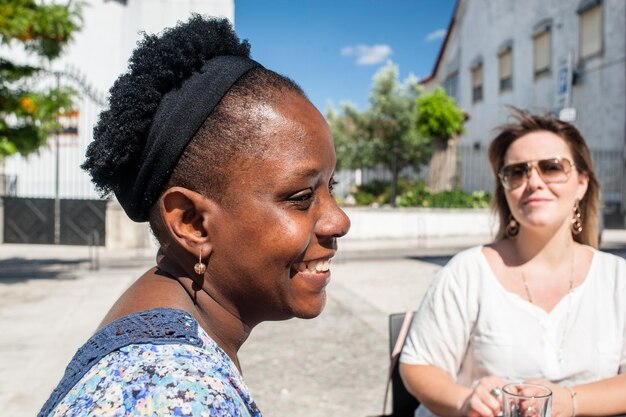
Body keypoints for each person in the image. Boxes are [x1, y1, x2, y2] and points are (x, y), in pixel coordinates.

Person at [38, 15, 350, 417]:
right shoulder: (173, 395)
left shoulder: (160, 326)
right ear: (190, 223)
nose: (339, 220)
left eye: (332, 187)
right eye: (303, 196)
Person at [399, 109, 626, 417]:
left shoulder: (617, 279)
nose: (533, 181)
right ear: (504, 190)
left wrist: (571, 401)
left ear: (582, 183)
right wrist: (465, 401)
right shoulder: (468, 271)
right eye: (516, 172)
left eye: (551, 167)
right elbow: (418, 365)